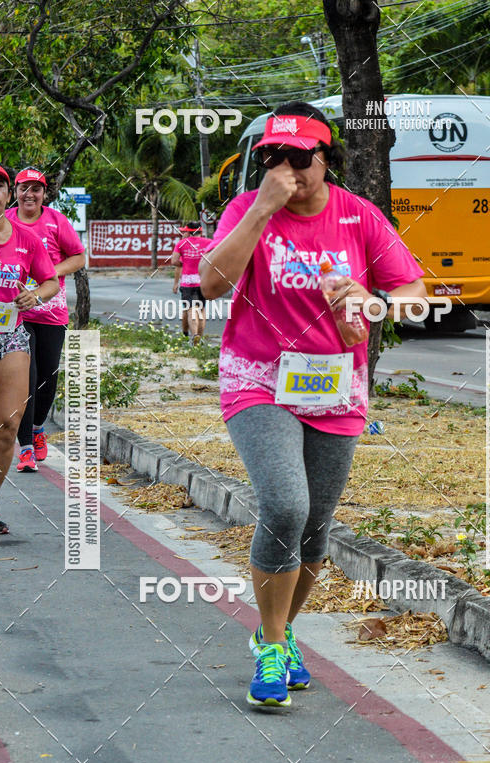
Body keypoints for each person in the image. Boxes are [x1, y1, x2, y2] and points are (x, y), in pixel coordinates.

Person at [199, 102, 426, 708]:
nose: (286, 168)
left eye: (301, 158)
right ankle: (271, 646)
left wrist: (369, 302)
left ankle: (279, 629)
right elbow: (213, 282)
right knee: (284, 503)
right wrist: (263, 209)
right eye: (273, 156)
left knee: (316, 531)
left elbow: (413, 294)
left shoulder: (358, 217)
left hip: (335, 386)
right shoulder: (247, 209)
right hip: (259, 380)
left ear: (327, 160)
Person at [6, 168, 85, 473]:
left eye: (36, 189)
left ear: (44, 194)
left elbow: (79, 256)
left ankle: (38, 428)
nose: (29, 195)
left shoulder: (55, 220)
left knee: (47, 377)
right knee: (26, 376)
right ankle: (25, 447)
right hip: (15, 313)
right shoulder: (6, 221)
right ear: (15, 191)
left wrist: (50, 269)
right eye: (24, 188)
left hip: (52, 311)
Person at [0, 163, 59, 533]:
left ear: (7, 195)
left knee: (5, 425)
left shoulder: (27, 240)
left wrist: (34, 295)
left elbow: (49, 280)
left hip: (10, 337)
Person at [170, 222, 212, 344]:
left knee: (190, 310)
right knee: (201, 310)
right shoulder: (209, 243)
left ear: (188, 232)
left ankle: (194, 336)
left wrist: (186, 263)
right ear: (200, 231)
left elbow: (174, 261)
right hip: (203, 280)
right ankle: (200, 338)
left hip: (188, 282)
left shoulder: (181, 244)